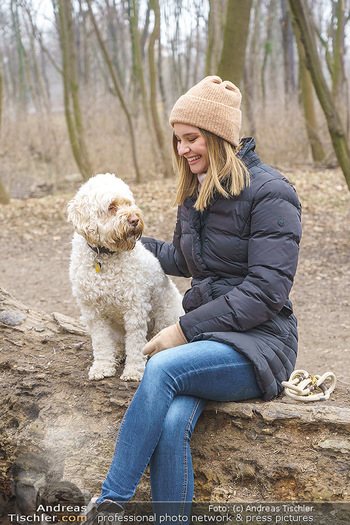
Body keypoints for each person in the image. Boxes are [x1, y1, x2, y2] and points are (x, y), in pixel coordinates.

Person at [86, 76, 302, 524]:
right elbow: (183, 259)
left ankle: (110, 502)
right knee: (169, 425)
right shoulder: (197, 190)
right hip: (211, 337)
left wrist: (182, 330)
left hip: (260, 343)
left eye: (192, 138)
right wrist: (114, 241)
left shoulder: (271, 193)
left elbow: (266, 292)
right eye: (178, 140)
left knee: (161, 366)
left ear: (220, 136)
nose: (183, 149)